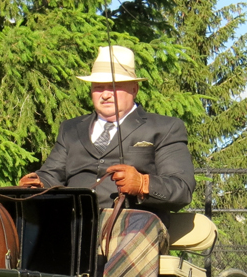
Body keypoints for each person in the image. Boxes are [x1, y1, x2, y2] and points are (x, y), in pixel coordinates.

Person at [19, 45, 195, 222]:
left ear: (134, 89)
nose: (105, 95)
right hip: (73, 223)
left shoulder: (165, 128)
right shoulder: (70, 129)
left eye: (113, 87)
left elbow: (182, 189)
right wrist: (38, 184)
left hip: (134, 223)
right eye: (98, 87)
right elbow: (51, 175)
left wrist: (143, 185)